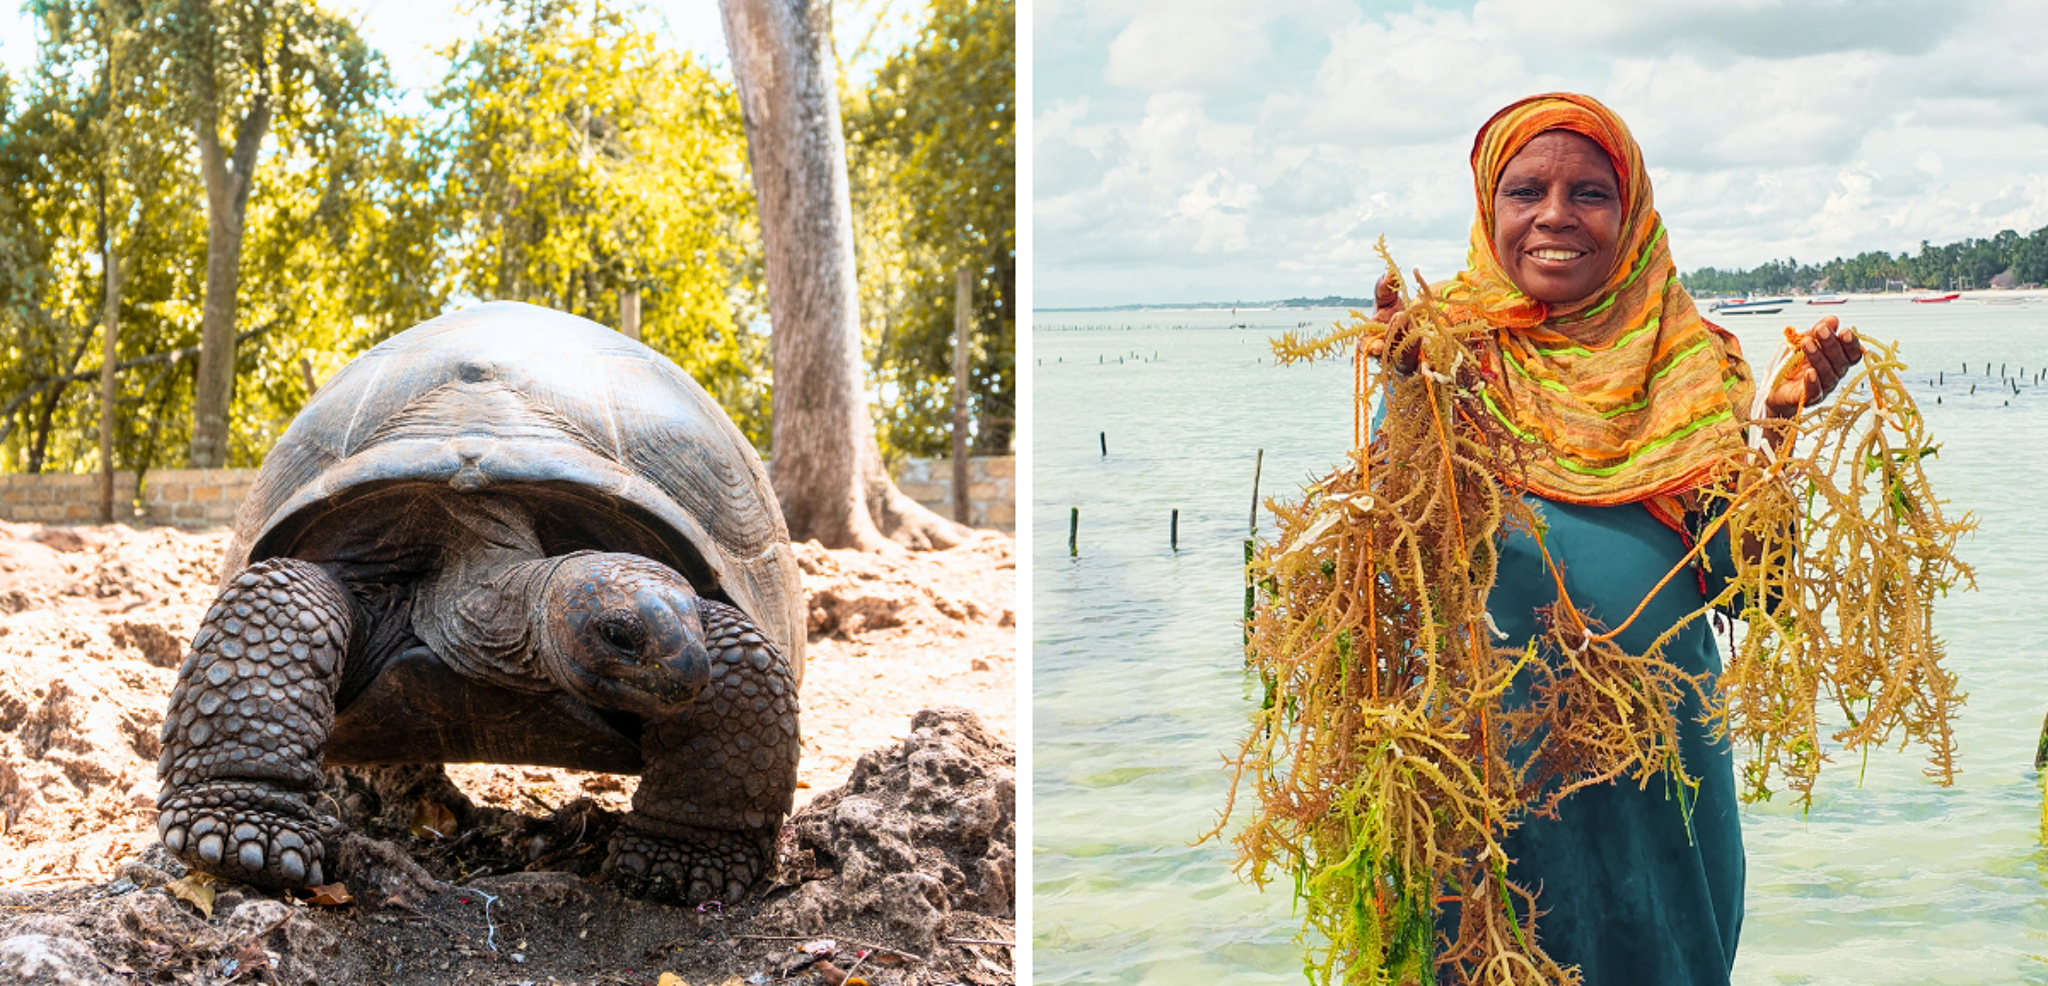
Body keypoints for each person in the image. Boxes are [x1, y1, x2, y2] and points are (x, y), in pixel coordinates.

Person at [1364, 92, 1863, 984]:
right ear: (1489, 209)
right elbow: (1383, 576)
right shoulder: (1440, 361)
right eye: (1527, 192)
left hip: (1661, 775)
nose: (1556, 215)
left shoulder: (1697, 366)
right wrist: (1408, 403)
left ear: (1630, 215)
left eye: (1590, 192)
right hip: (1486, 784)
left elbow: (1754, 588)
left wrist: (1778, 428)